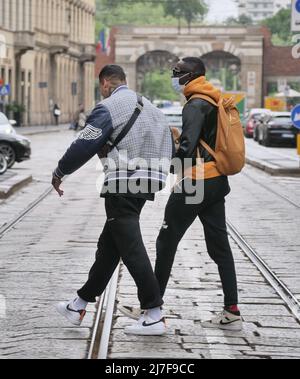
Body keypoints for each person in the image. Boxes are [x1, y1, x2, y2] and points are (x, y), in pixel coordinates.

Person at [121, 57, 243, 331]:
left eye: (176, 73)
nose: (173, 78)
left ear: (190, 76)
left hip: (196, 181)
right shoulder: (212, 99)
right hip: (215, 180)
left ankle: (151, 307)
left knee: (166, 241)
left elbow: (187, 149)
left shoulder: (195, 104)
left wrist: (165, 162)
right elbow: (199, 141)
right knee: (220, 247)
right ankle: (232, 311)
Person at [52, 65, 173, 336]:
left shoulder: (108, 107)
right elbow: (170, 143)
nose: (102, 91)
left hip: (123, 181)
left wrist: (61, 171)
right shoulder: (152, 107)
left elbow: (85, 143)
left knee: (131, 247)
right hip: (150, 180)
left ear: (105, 82)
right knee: (110, 246)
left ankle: (154, 313)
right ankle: (78, 304)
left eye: (101, 87)